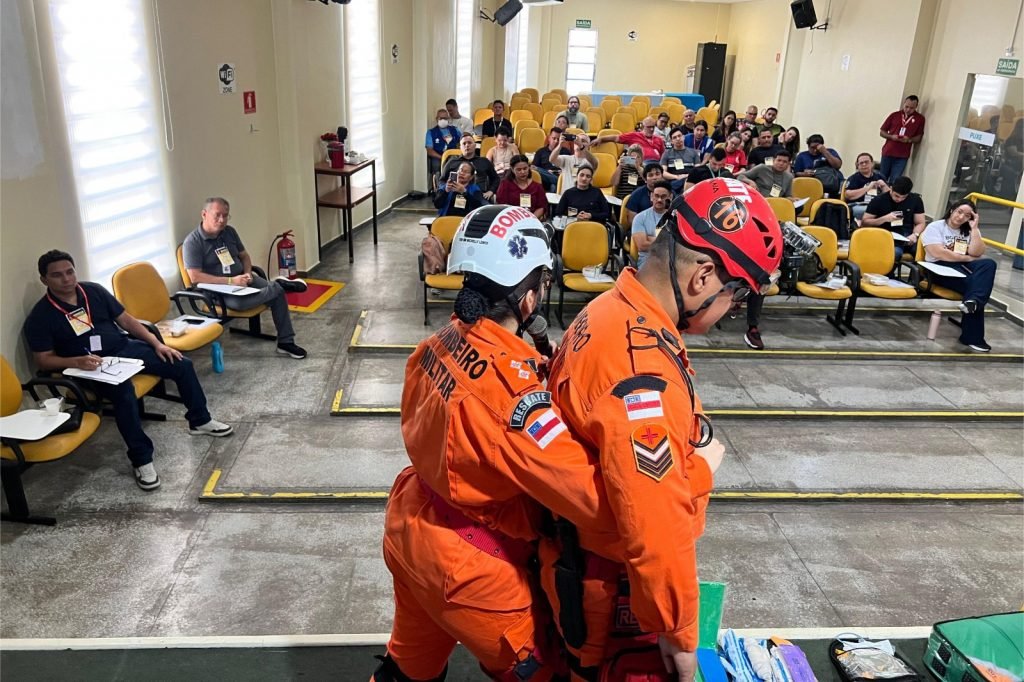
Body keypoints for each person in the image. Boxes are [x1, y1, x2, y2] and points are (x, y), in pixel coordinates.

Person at [540, 178, 783, 680]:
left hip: (580, 564)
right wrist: (678, 632)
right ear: (703, 277)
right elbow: (653, 520)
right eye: (736, 297)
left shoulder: (608, 308)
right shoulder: (641, 368)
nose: (732, 311)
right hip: (615, 587)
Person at [374, 205, 617, 681]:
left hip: (411, 524)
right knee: (547, 674)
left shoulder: (438, 342)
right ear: (529, 296)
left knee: (407, 670)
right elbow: (590, 499)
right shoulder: (516, 401)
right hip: (471, 567)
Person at [25, 250, 233, 491]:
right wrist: (75, 362)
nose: (66, 279)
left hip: (122, 348)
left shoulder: (93, 291)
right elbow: (43, 360)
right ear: (44, 280)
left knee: (181, 364)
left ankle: (200, 421)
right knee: (124, 394)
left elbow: (127, 321)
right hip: (89, 366)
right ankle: (142, 459)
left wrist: (157, 344)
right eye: (57, 275)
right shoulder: (41, 316)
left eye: (69, 272)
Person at [182, 197, 307, 359]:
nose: (222, 220)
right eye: (217, 215)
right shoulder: (193, 242)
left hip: (242, 278)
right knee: (247, 301)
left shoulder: (229, 232)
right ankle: (278, 286)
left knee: (276, 293)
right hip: (219, 290)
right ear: (204, 214)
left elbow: (244, 256)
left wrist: (247, 273)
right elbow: (195, 277)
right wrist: (231, 281)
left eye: (225, 216)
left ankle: (286, 342)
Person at [920, 200, 997, 353]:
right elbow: (938, 253)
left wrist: (974, 229)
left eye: (967, 215)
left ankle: (972, 303)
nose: (961, 217)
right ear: (952, 210)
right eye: (959, 212)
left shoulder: (969, 230)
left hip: (961, 266)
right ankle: (972, 337)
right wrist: (968, 258)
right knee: (975, 286)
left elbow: (977, 252)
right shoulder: (935, 227)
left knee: (989, 264)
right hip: (938, 268)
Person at [737, 154, 794, 351]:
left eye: (785, 161)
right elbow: (740, 176)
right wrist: (750, 182)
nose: (781, 163)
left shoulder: (788, 178)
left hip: (758, 252)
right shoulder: (761, 171)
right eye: (778, 160)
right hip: (740, 249)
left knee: (761, 278)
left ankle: (752, 327)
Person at [861, 176, 926, 262]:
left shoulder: (915, 200)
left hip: (907, 236)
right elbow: (865, 222)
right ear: (891, 188)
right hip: (885, 234)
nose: (899, 199)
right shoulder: (879, 200)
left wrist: (915, 234)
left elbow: (920, 222)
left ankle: (915, 271)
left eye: (903, 197)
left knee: (923, 252)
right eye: (896, 196)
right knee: (895, 253)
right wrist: (884, 219)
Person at [879, 95, 925, 183]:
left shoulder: (920, 119)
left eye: (911, 108)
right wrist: (891, 136)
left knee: (895, 180)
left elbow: (919, 137)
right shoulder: (894, 115)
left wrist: (909, 140)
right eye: (906, 106)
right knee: (882, 179)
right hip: (888, 152)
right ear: (904, 104)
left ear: (916, 107)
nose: (908, 109)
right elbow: (882, 132)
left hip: (902, 156)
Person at [441, 135, 500, 199]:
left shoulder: (484, 161)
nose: (467, 145)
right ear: (460, 147)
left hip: (478, 196)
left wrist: (491, 191)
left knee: (486, 205)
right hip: (455, 196)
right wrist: (446, 189)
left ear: (475, 145)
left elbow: (496, 179)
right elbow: (441, 180)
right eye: (464, 143)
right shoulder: (452, 161)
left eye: (469, 143)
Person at [630, 180, 673, 268]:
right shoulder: (640, 218)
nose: (659, 200)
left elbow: (680, 245)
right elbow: (642, 246)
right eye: (656, 196)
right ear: (651, 196)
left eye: (663, 196)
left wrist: (651, 238)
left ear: (670, 197)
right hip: (648, 260)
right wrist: (668, 242)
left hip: (671, 259)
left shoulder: (676, 217)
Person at [496, 154, 548, 219]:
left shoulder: (537, 187)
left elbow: (541, 207)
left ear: (529, 167)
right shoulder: (505, 184)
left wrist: (531, 219)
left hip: (532, 219)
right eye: (519, 170)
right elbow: (502, 206)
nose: (523, 172)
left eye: (525, 168)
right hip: (510, 219)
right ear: (512, 169)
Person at [843, 152, 889, 223]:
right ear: (858, 166)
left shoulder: (880, 177)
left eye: (866, 162)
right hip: (859, 205)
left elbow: (890, 196)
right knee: (873, 211)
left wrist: (884, 186)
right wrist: (868, 188)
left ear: (872, 164)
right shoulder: (853, 178)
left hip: (877, 205)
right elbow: (848, 195)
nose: (864, 165)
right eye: (861, 163)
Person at [425, 108, 462, 187]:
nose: (443, 120)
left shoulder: (455, 130)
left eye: (445, 118)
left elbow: (462, 141)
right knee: (437, 165)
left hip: (453, 155)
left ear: (448, 119)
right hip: (438, 156)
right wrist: (442, 157)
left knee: (458, 164)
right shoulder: (431, 132)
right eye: (440, 118)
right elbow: (429, 150)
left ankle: (454, 186)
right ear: (436, 119)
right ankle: (440, 188)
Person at [661, 128, 702, 193]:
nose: (678, 139)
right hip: (674, 182)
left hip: (690, 181)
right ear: (671, 141)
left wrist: (688, 176)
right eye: (674, 137)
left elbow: (698, 170)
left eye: (679, 136)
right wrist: (677, 177)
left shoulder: (694, 152)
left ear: (683, 137)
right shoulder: (666, 154)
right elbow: (663, 173)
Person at [532, 127, 565, 192]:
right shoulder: (541, 152)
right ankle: (556, 180)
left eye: (558, 139)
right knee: (536, 169)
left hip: (560, 176)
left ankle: (556, 180)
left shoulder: (566, 152)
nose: (556, 141)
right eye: (554, 138)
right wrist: (546, 172)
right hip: (545, 179)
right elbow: (534, 168)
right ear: (549, 138)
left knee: (553, 186)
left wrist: (563, 172)